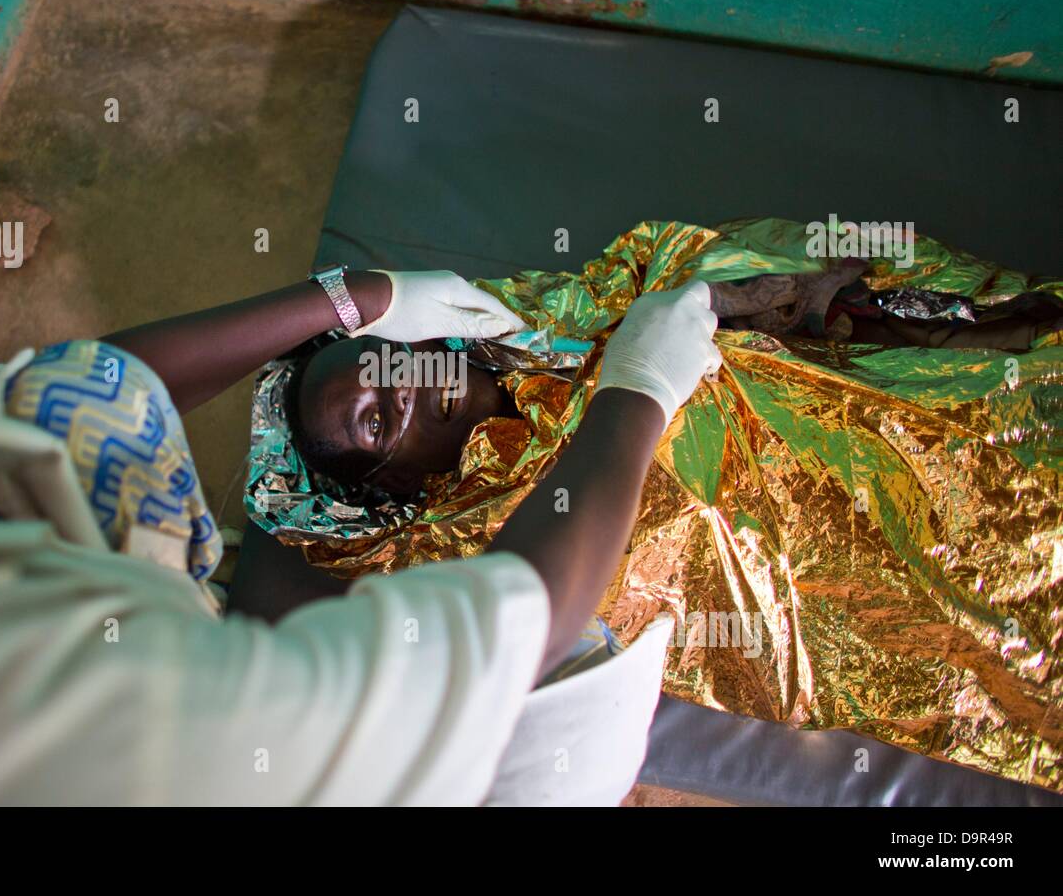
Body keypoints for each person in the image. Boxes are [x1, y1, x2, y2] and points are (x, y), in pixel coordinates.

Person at [0, 60, 721, 804]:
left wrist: (352, 297)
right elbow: (511, 627)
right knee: (574, 711)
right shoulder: (46, 715)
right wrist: (638, 387)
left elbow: (91, 387)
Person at [237, 220, 1063, 792]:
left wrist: (726, 292)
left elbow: (668, 256)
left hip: (858, 404)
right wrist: (640, 389)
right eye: (378, 420)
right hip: (810, 550)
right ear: (391, 490)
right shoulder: (474, 541)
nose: (408, 392)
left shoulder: (522, 322)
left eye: (388, 363)